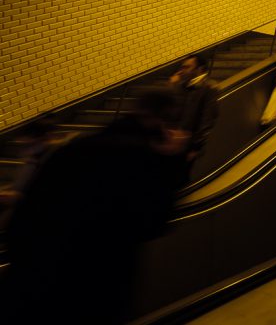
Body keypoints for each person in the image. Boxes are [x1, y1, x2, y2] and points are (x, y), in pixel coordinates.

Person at [6, 89, 188, 324]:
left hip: (32, 279)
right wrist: (172, 160)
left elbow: (26, 213)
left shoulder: (77, 147)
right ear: (161, 121)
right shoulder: (142, 159)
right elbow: (153, 222)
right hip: (96, 287)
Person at [168, 54, 219, 168]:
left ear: (200, 69)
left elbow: (207, 120)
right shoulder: (182, 85)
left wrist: (196, 147)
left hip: (188, 145)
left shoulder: (209, 88)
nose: (181, 71)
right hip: (174, 142)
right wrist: (173, 86)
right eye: (182, 67)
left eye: (187, 67)